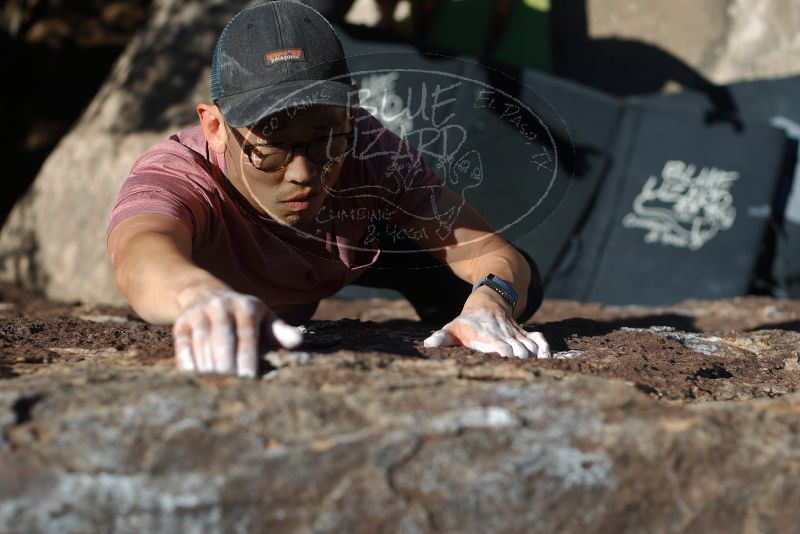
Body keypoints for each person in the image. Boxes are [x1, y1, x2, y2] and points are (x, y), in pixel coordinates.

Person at [106, 0, 551, 377]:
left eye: (325, 139)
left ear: (352, 113)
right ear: (215, 127)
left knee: (514, 284)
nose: (303, 172)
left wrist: (493, 300)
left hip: (351, 247)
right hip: (233, 289)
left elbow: (494, 254)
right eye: (273, 146)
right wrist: (197, 296)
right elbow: (141, 250)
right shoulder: (182, 173)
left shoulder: (369, 149)